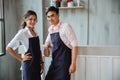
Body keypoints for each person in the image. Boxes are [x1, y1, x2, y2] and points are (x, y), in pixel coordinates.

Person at [6, 10, 44, 80]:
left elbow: (38, 50)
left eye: (34, 19)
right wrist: (21, 59)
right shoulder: (22, 32)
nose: (33, 21)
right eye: (30, 19)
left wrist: (41, 62)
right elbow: (8, 48)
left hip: (36, 65)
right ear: (25, 19)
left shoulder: (35, 32)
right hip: (29, 66)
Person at [44, 6, 78, 80]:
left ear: (58, 15)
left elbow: (74, 45)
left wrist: (73, 64)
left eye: (52, 15)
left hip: (64, 64)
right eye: (48, 17)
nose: (50, 19)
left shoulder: (66, 26)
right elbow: (47, 44)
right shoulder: (50, 29)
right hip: (54, 63)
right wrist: (46, 46)